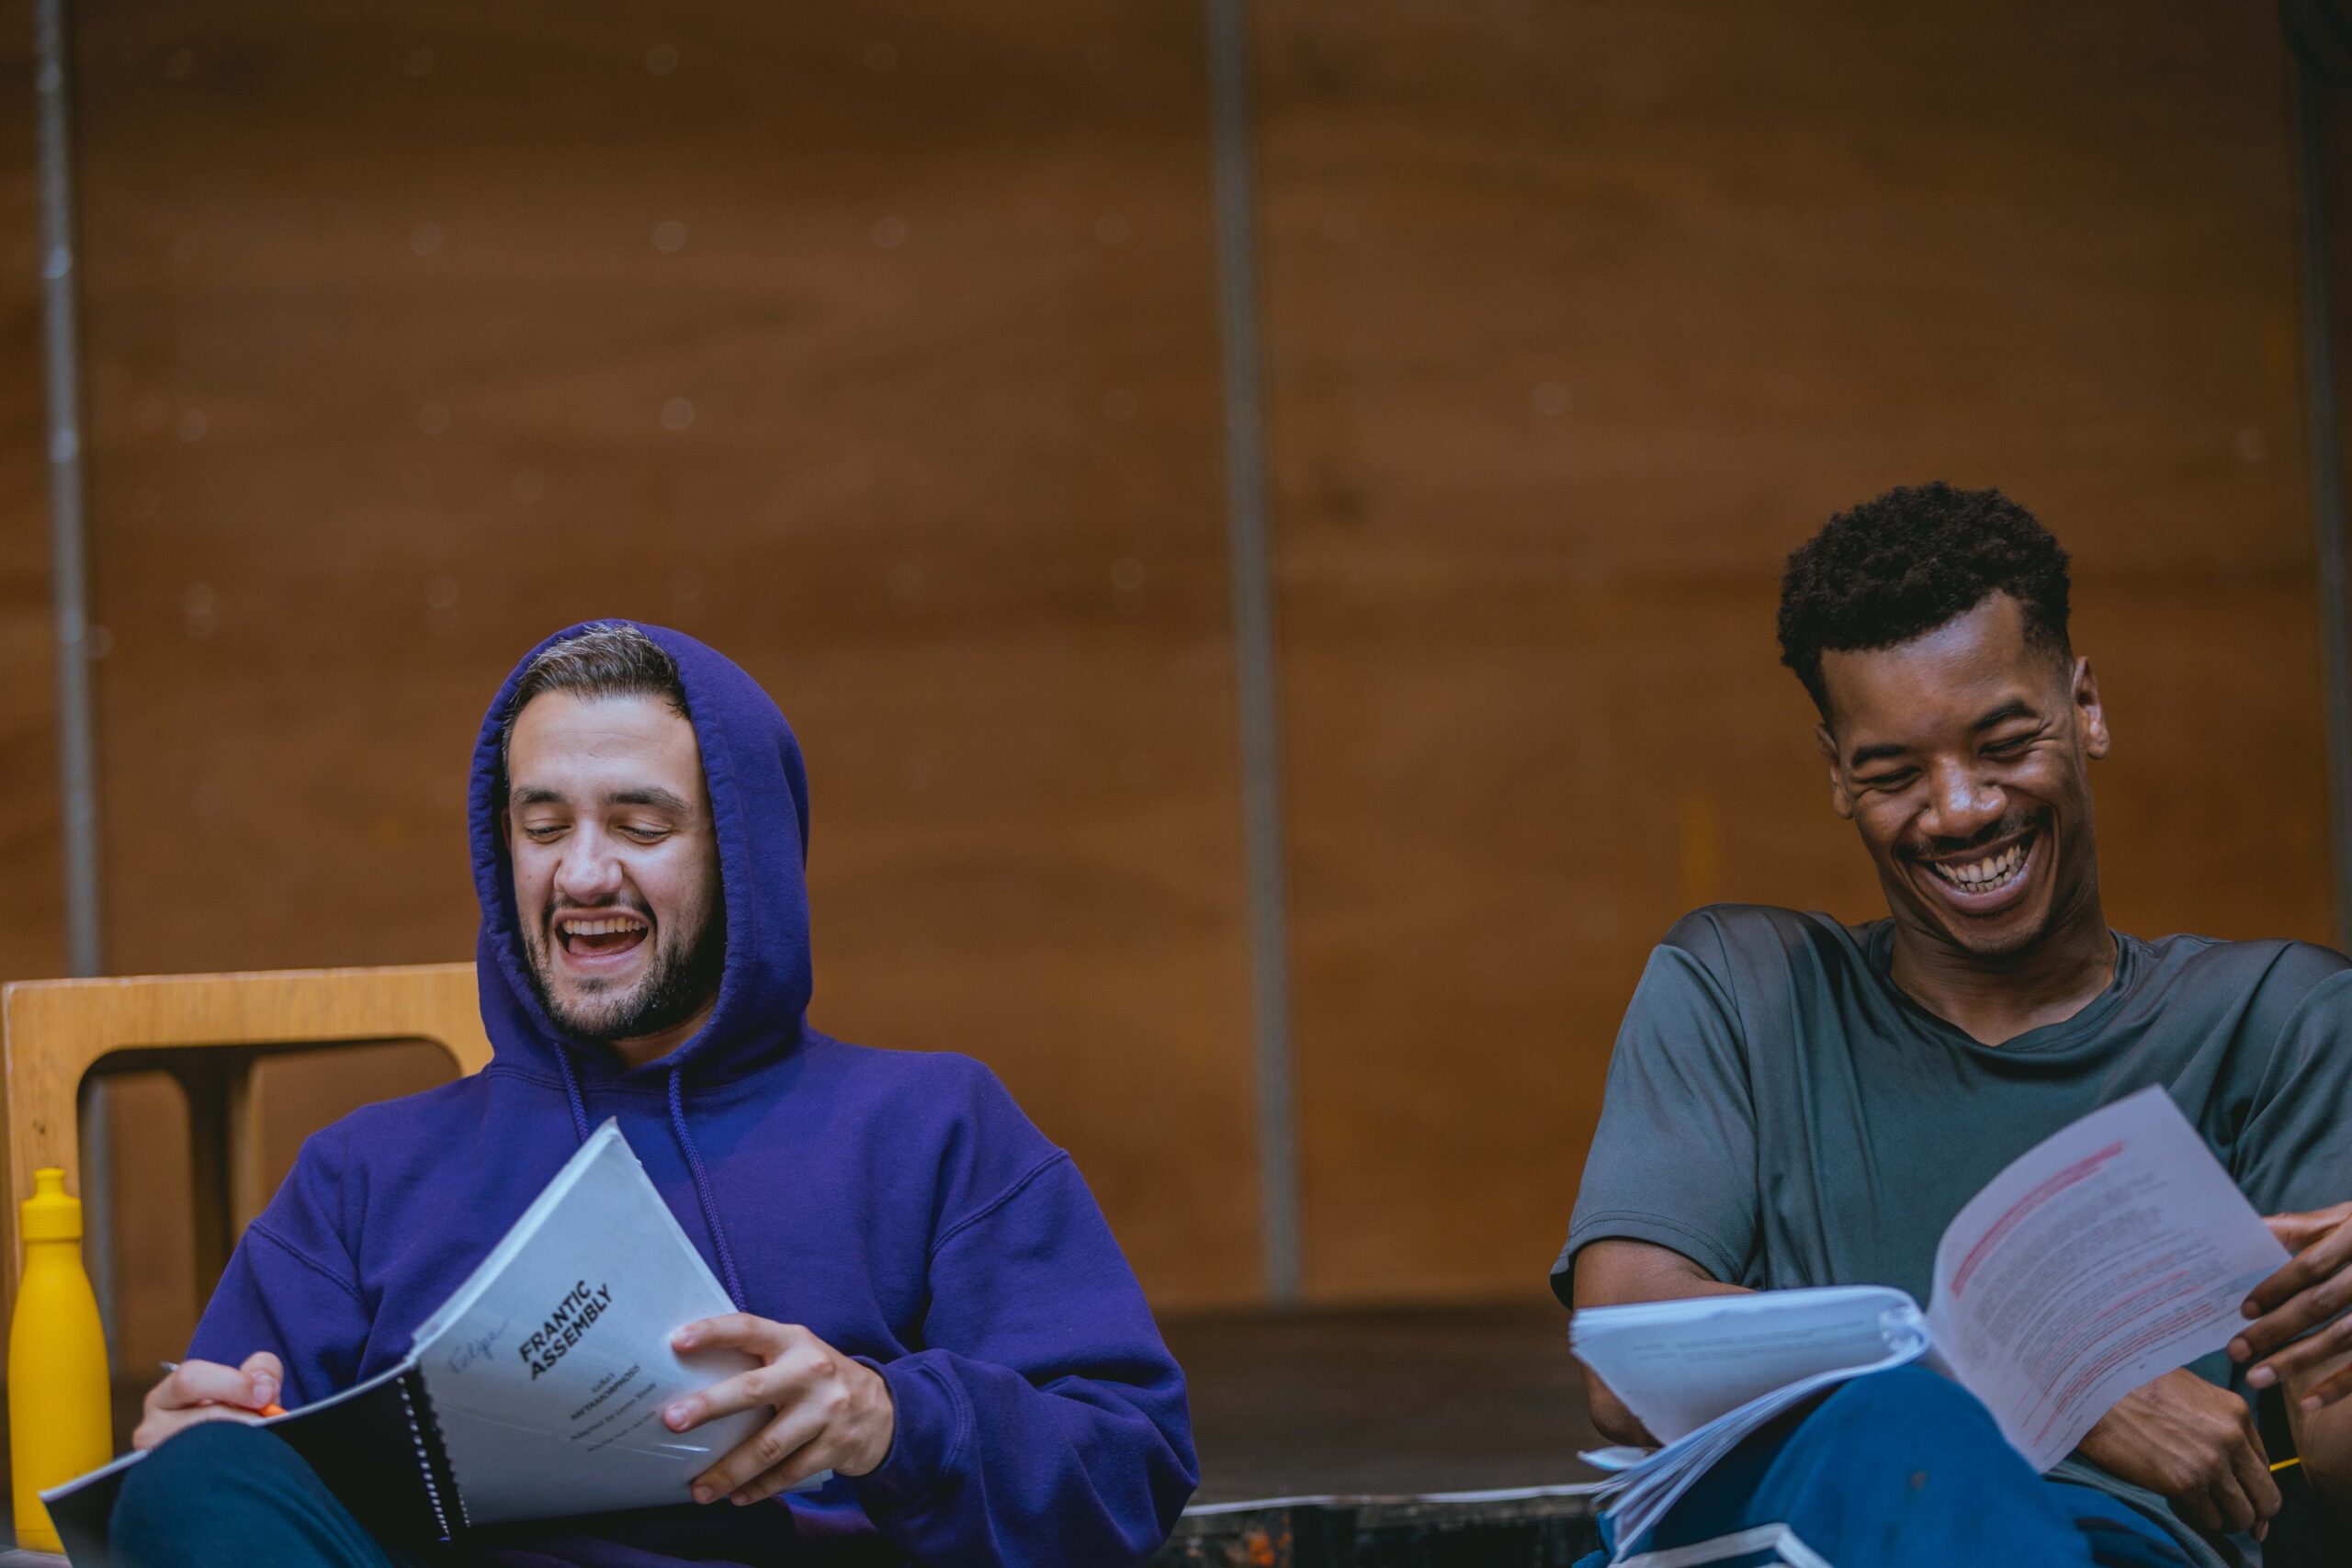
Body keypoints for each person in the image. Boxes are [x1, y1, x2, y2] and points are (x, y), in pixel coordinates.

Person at [119, 621, 1196, 1566]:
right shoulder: (363, 1176)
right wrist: (201, 1439)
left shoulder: (932, 1130)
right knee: (195, 1480)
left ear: (748, 861)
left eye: (639, 827)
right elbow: (238, 1495)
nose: (583, 876)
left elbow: (1130, 1472)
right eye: (544, 828)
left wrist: (890, 1421)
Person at [1557, 484, 2352, 1566]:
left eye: (2003, 742)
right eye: (1892, 772)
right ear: (1838, 776)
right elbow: (1629, 1363)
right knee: (1908, 1431)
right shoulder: (1739, 988)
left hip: (2097, 1546)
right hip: (1779, 1535)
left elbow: (2331, 1451)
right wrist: (2044, 1388)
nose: (1962, 808)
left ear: (2086, 708)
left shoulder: (2275, 1021)